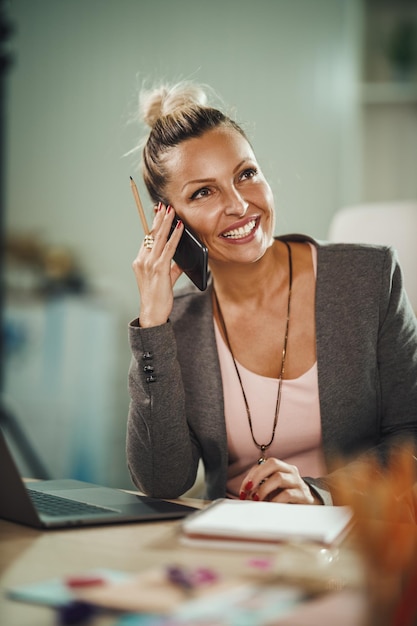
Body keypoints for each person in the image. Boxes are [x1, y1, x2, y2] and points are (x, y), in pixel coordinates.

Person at [126, 81, 417, 508]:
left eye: (246, 174)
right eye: (203, 192)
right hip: (233, 546)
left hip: (354, 536)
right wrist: (152, 325)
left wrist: (320, 494)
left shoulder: (369, 276)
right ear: (169, 220)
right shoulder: (177, 323)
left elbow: (410, 434)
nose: (240, 206)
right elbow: (162, 481)